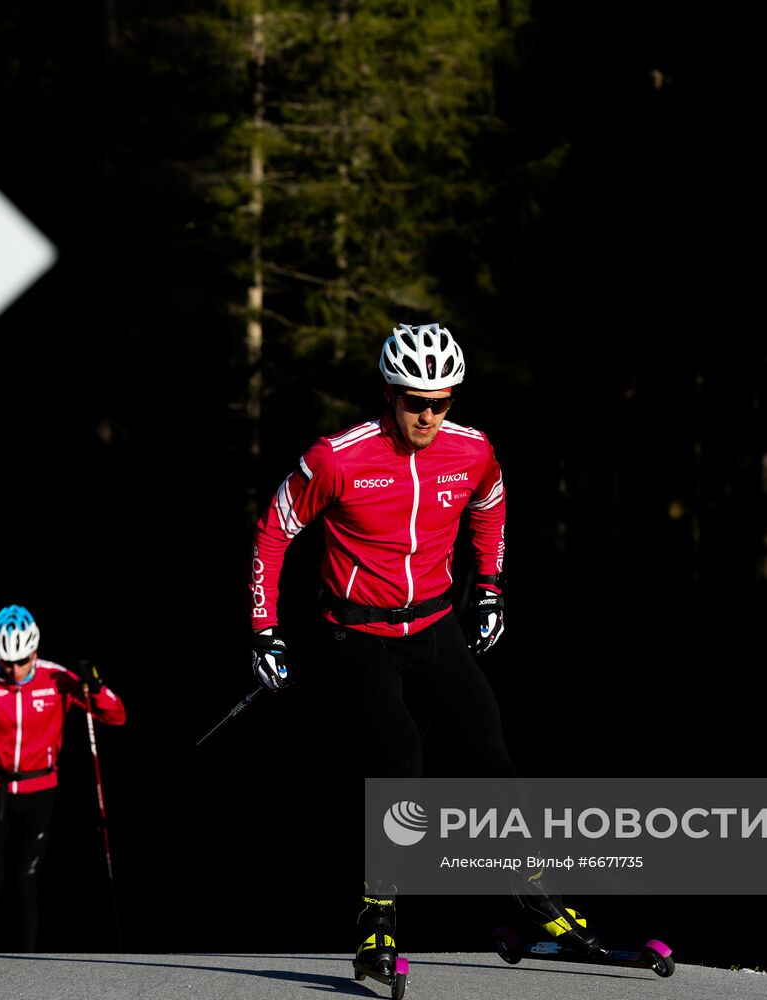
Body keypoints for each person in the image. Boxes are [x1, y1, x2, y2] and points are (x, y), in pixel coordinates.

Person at [245, 322, 599, 976]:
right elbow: (273, 533)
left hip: (433, 624)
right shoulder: (336, 457)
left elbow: (490, 501)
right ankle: (376, 917)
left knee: (490, 753)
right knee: (401, 757)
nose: (429, 415)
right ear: (389, 393)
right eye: (415, 401)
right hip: (358, 633)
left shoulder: (471, 450)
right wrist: (264, 630)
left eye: (442, 400)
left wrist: (488, 587)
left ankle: (538, 897)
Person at [0, 604, 126, 952]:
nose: (13, 670)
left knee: (26, 882)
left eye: (21, 661)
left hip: (39, 790)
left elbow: (115, 717)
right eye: (5, 662)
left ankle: (26, 973)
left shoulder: (55, 678)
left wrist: (96, 686)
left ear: (34, 652)